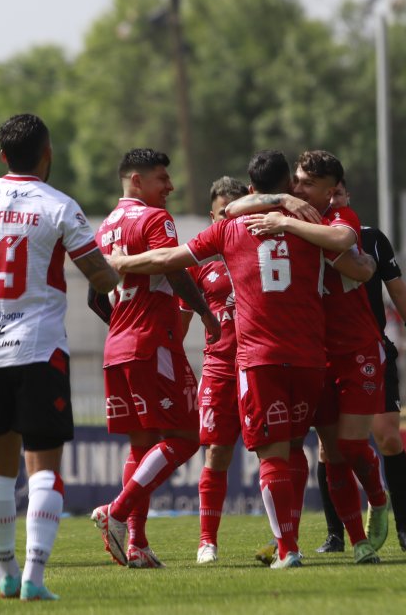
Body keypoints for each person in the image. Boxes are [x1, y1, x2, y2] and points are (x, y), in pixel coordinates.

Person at [109, 149, 362, 569]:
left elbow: (168, 259)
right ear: (288, 186)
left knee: (271, 455)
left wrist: (122, 262)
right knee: (295, 449)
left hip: (258, 357)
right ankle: (344, 541)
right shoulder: (313, 224)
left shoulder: (228, 229)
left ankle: (288, 549)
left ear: (249, 187)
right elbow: (357, 262)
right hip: (308, 357)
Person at [0, 114, 118, 600]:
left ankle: (6, 571)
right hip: (38, 349)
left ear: (2, 156)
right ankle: (35, 577)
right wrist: (122, 270)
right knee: (44, 468)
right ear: (47, 153)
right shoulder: (58, 205)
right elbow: (100, 275)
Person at [229, 150, 388, 564]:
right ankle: (290, 540)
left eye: (307, 184)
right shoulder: (289, 213)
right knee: (309, 449)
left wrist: (285, 220)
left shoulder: (336, 217)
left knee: (348, 446)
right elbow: (231, 209)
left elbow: (350, 252)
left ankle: (377, 501)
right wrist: (280, 202)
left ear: (331, 191)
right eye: (295, 181)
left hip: (355, 347)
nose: (297, 188)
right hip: (312, 352)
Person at [89, 148, 219, 570]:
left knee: (142, 444)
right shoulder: (154, 218)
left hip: (117, 346)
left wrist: (123, 325)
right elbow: (173, 267)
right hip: (152, 344)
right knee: (185, 437)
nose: (170, 186)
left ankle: (137, 544)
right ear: (136, 180)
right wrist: (204, 312)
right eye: (162, 178)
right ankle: (117, 511)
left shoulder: (105, 226)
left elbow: (94, 295)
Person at [313, 181, 406, 552]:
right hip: (324, 353)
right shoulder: (306, 236)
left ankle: (405, 528)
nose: (332, 201)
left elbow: (397, 289)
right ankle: (335, 534)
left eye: (338, 193)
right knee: (328, 449)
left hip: (371, 350)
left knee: (388, 437)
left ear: (348, 197)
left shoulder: (372, 239)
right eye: (326, 194)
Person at [181, 177, 249, 565]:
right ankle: (207, 541)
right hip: (220, 367)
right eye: (224, 213)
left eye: (236, 211)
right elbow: (180, 326)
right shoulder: (199, 262)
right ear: (212, 216)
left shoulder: (260, 248)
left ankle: (284, 539)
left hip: (260, 363)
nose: (230, 219)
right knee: (217, 453)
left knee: (277, 451)